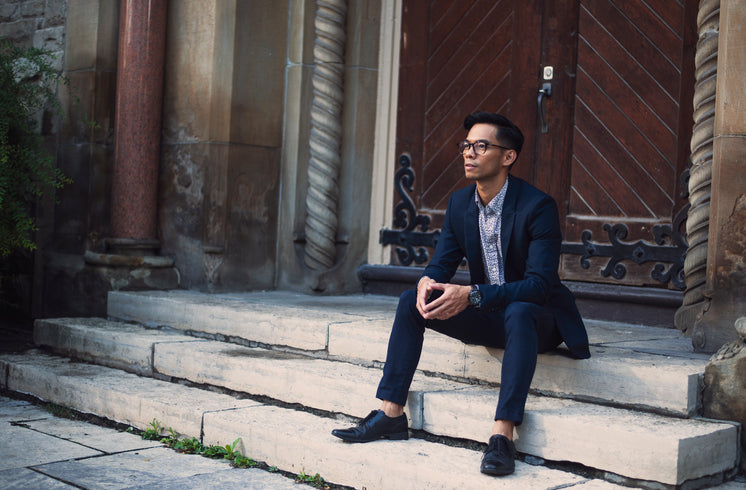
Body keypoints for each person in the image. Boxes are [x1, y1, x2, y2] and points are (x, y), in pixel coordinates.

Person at [331, 111, 590, 476]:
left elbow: (538, 286)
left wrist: (472, 295)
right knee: (410, 303)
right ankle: (390, 413)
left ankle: (503, 435)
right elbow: (442, 264)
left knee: (519, 310)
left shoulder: (538, 207)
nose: (468, 153)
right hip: (489, 315)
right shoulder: (459, 204)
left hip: (538, 321)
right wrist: (427, 282)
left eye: (480, 146)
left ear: (508, 156)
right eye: (466, 145)